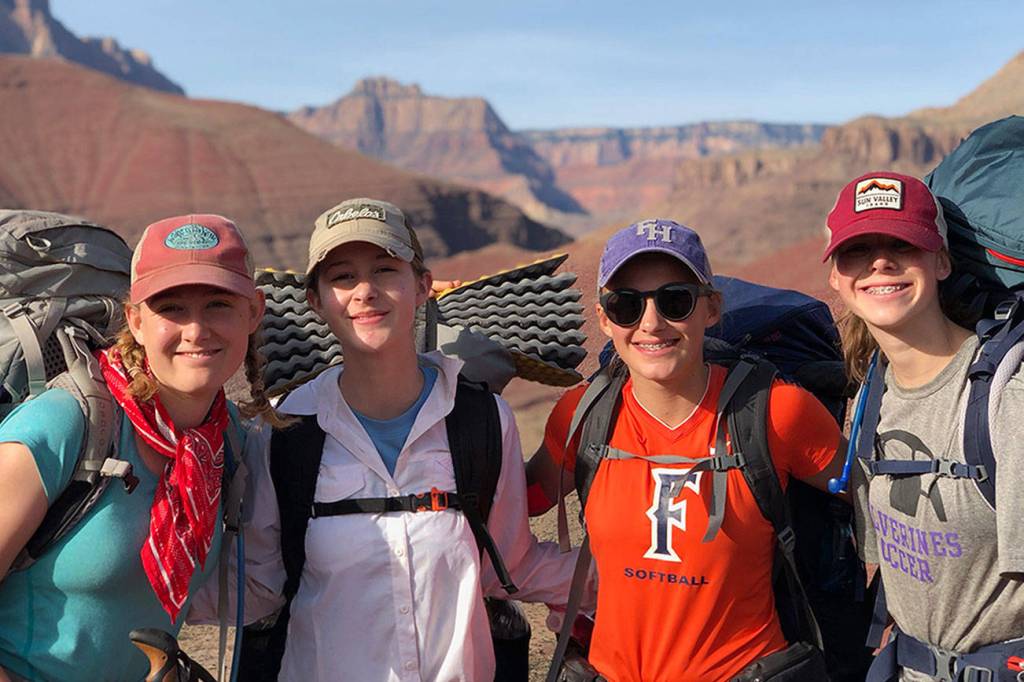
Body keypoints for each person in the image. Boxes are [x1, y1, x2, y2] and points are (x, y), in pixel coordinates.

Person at [239, 198, 579, 681]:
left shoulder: (481, 419)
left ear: (422, 286)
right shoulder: (283, 429)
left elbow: (510, 565)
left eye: (385, 270)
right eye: (342, 277)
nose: (365, 291)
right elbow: (255, 586)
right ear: (316, 300)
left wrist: (653, 584)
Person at [527, 219, 846, 681]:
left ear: (711, 308)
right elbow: (522, 501)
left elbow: (880, 508)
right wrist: (469, 390)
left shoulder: (776, 412)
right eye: (626, 305)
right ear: (604, 319)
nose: (651, 323)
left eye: (675, 301)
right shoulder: (582, 414)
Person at [0, 214, 280, 682]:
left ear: (253, 312)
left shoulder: (222, 441)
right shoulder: (69, 425)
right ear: (136, 321)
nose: (196, 330)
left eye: (218, 304)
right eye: (171, 308)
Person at [824, 172, 1024, 681]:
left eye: (902, 244)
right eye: (857, 250)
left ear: (941, 262)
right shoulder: (871, 394)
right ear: (836, 278)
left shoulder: (1006, 398)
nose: (880, 263)